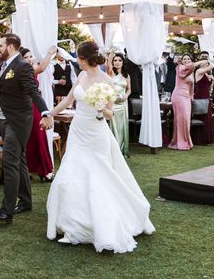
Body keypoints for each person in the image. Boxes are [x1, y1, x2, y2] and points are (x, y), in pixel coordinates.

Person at [46, 41, 154, 253]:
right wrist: (49, 113)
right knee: (71, 175)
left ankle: (98, 224)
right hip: (78, 131)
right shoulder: (81, 75)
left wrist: (99, 107)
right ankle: (72, 225)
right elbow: (68, 100)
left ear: (84, 58)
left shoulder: (107, 80)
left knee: (98, 177)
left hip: (96, 134)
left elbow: (110, 113)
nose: (76, 60)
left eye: (78, 57)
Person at [0, 33, 50, 224]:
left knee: (10, 162)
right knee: (20, 159)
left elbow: (33, 91)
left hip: (18, 121)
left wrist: (46, 113)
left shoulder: (22, 66)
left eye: (0, 45)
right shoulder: (3, 64)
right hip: (5, 119)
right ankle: (26, 201)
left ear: (11, 47)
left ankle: (6, 211)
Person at [20, 46, 56, 182]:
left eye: (31, 56)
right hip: (27, 107)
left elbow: (40, 68)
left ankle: (44, 169)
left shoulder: (29, 70)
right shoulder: (24, 70)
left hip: (35, 106)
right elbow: (41, 68)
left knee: (39, 135)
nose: (29, 59)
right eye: (26, 57)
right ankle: (29, 169)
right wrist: (49, 53)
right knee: (30, 137)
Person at [169, 54, 207, 151]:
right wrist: (199, 62)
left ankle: (186, 141)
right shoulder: (179, 68)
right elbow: (188, 68)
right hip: (178, 95)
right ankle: (179, 142)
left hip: (186, 98)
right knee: (181, 119)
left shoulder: (191, 71)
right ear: (181, 61)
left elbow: (192, 87)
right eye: (184, 59)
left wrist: (191, 98)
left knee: (186, 120)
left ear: (191, 59)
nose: (186, 60)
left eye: (188, 58)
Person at [106, 52, 131, 157]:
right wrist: (111, 53)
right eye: (115, 60)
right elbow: (107, 65)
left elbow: (129, 89)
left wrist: (126, 96)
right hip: (113, 104)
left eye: (119, 60)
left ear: (123, 62)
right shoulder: (111, 73)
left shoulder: (126, 75)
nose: (117, 62)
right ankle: (115, 151)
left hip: (123, 104)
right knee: (114, 127)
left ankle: (122, 150)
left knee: (122, 128)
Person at [193, 59, 214, 144]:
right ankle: (199, 138)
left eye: (206, 64)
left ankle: (207, 138)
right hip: (200, 96)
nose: (205, 65)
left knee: (208, 116)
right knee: (201, 115)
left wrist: (212, 80)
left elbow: (210, 87)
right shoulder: (198, 71)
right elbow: (210, 67)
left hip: (207, 96)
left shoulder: (207, 74)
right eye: (203, 63)